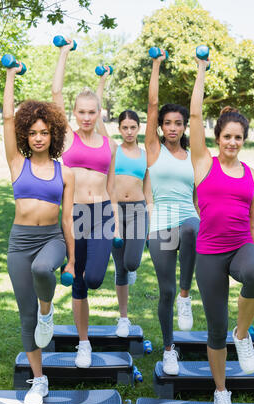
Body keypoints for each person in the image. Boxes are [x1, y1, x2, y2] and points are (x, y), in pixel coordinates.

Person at [190, 54, 254, 404]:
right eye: (226, 136)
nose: (232, 142)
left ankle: (243, 333)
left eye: (238, 137)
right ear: (217, 138)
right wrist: (201, 73)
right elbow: (193, 118)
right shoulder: (204, 163)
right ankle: (221, 392)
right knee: (214, 328)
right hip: (209, 254)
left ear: (244, 140)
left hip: (240, 246)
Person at [3, 63, 75, 404]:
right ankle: (39, 380)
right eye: (32, 132)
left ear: (53, 134)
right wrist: (10, 77)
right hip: (19, 242)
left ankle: (49, 310)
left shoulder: (65, 172)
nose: (38, 137)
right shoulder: (17, 163)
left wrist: (72, 260)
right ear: (25, 135)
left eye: (44, 131)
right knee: (25, 317)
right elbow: (5, 119)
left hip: (52, 239)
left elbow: (69, 221)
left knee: (43, 271)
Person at [52, 40, 118, 368]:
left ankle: (84, 335)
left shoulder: (109, 142)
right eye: (82, 112)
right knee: (79, 281)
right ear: (75, 114)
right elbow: (56, 95)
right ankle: (83, 342)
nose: (87, 117)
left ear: (99, 113)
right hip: (75, 213)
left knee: (94, 278)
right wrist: (64, 53)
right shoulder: (67, 136)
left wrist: (118, 219)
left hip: (103, 212)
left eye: (92, 112)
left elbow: (113, 185)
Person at [145, 52, 200, 375]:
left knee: (193, 227)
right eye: (167, 122)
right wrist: (157, 65)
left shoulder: (194, 156)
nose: (173, 128)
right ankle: (168, 349)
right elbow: (152, 105)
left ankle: (186, 293)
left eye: (178, 123)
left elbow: (196, 198)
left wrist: (200, 70)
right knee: (162, 292)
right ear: (161, 126)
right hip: (161, 225)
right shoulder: (154, 149)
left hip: (187, 217)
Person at [96, 71, 153, 337]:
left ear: (138, 128)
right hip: (116, 210)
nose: (129, 131)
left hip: (139, 209)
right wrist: (102, 81)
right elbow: (96, 118)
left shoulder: (146, 155)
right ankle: (123, 318)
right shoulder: (113, 149)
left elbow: (148, 189)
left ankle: (132, 271)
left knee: (132, 263)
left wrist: (151, 215)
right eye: (124, 127)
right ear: (120, 129)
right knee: (120, 268)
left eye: (133, 127)